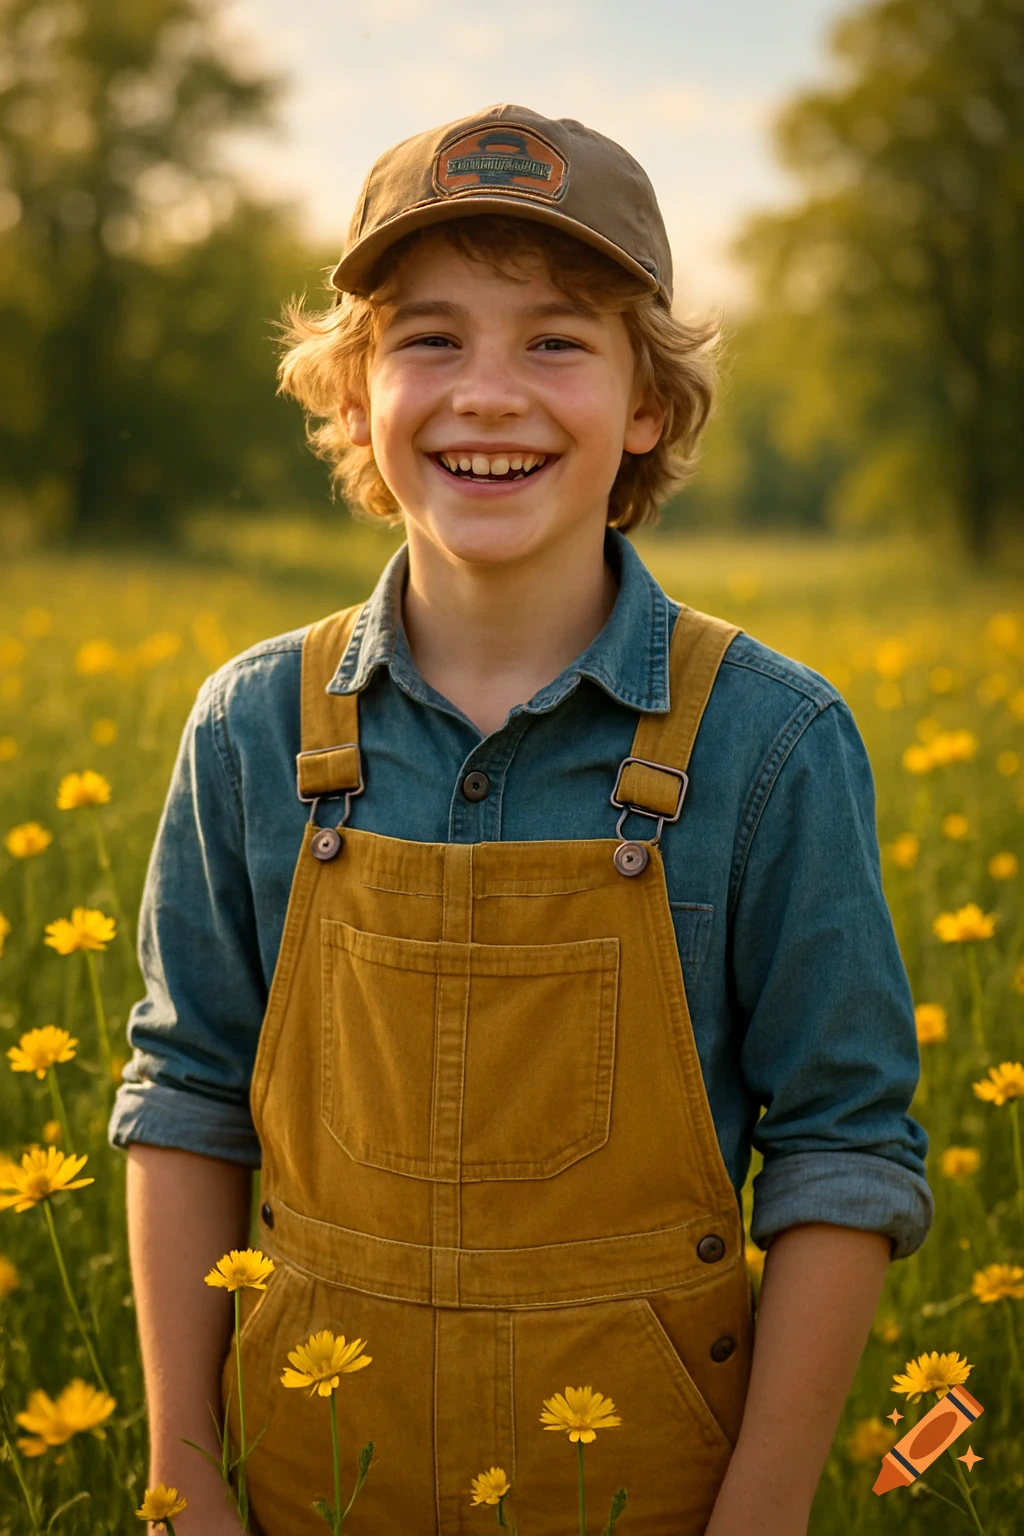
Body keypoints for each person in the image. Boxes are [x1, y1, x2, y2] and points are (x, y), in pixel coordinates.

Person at [110, 103, 933, 1536]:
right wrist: (186, 1477)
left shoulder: (774, 742)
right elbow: (186, 1101)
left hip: (648, 1502)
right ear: (358, 389)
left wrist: (765, 1514)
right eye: (430, 338)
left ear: (647, 404)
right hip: (306, 1492)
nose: (488, 391)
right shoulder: (251, 731)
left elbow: (842, 1147)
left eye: (556, 340)